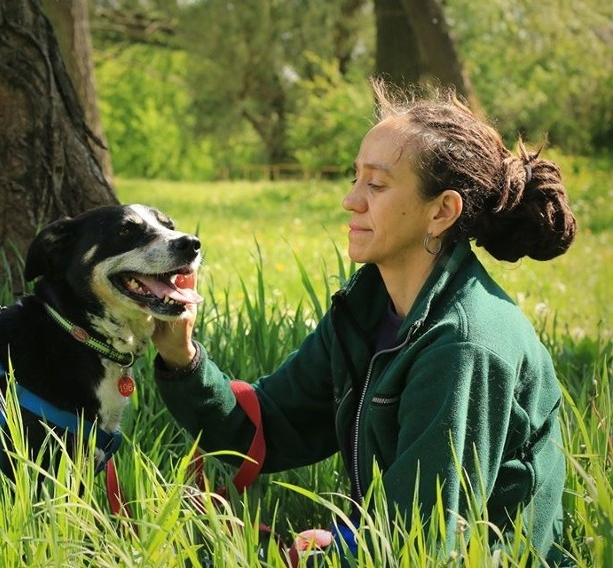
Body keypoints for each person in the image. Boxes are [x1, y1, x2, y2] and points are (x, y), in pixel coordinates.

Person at [151, 79, 576, 564]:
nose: (351, 201)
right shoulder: (369, 308)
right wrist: (182, 359)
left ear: (442, 211)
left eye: (375, 184)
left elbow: (424, 544)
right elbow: (270, 424)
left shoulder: (464, 345)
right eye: (354, 179)